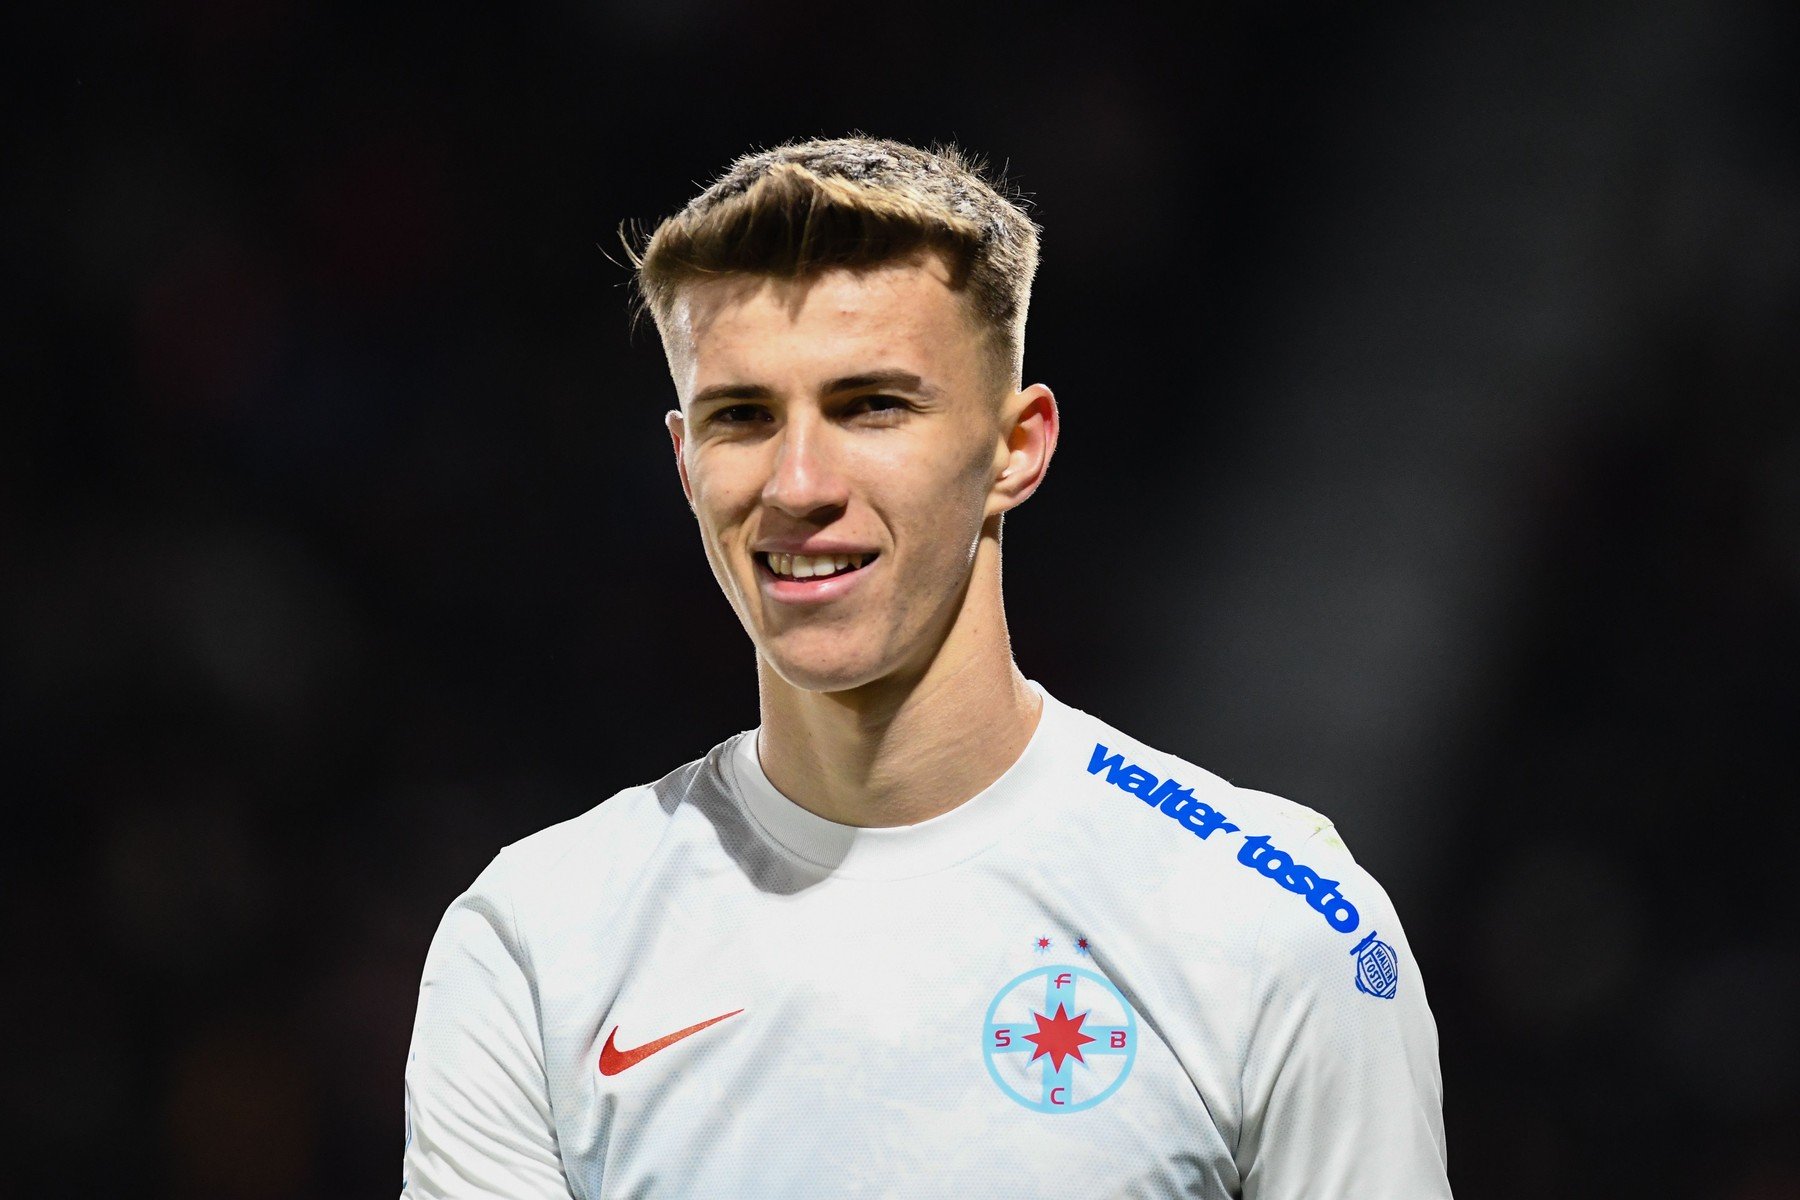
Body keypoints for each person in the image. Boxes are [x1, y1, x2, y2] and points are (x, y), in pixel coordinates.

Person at [402, 135, 1451, 1199]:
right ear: (685, 462)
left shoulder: (1273, 923)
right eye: (743, 417)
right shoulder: (538, 945)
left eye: (872, 406)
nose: (798, 484)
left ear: (1016, 447)